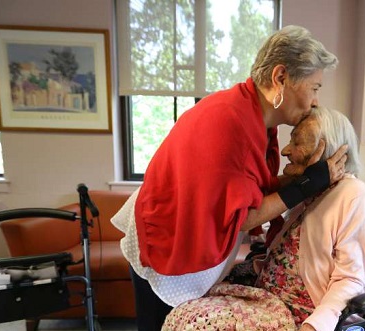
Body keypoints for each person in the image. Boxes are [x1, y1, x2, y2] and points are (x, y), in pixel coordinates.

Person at [111, 25, 348, 331]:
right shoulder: (229, 122)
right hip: (166, 240)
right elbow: (241, 217)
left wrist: (302, 179)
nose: (315, 100)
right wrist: (308, 185)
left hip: (172, 231)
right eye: (314, 87)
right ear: (280, 78)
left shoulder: (256, 121)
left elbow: (248, 189)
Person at [163, 106, 365, 331]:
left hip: (300, 311)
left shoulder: (353, 194)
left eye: (297, 142)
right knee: (182, 314)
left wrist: (315, 326)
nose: (285, 150)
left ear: (327, 149)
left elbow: (352, 279)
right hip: (267, 298)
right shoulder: (311, 192)